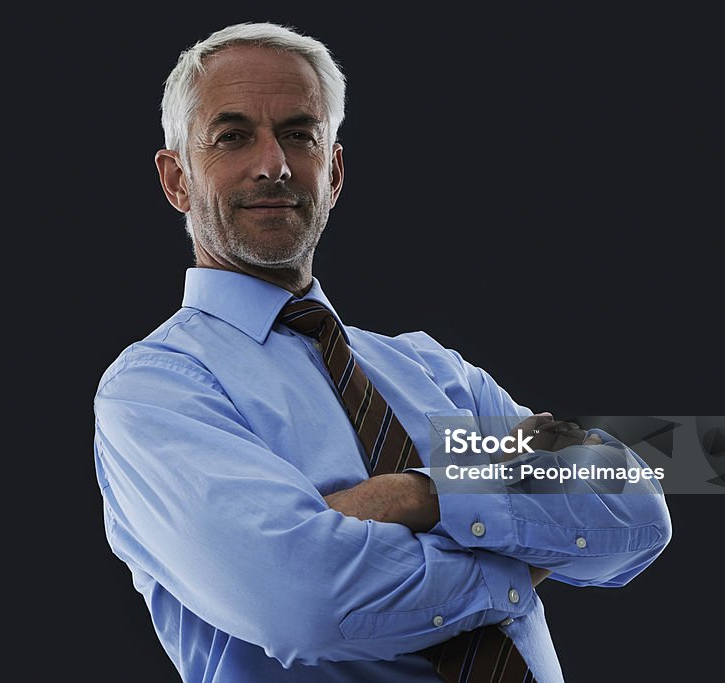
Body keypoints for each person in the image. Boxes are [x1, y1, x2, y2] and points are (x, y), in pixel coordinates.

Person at [93, 22, 672, 683]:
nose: (273, 164)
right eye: (232, 137)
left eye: (299, 133)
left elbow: (630, 509)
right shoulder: (159, 389)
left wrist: (414, 496)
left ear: (333, 171)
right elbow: (306, 600)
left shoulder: (430, 372)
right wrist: (512, 549)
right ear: (177, 181)